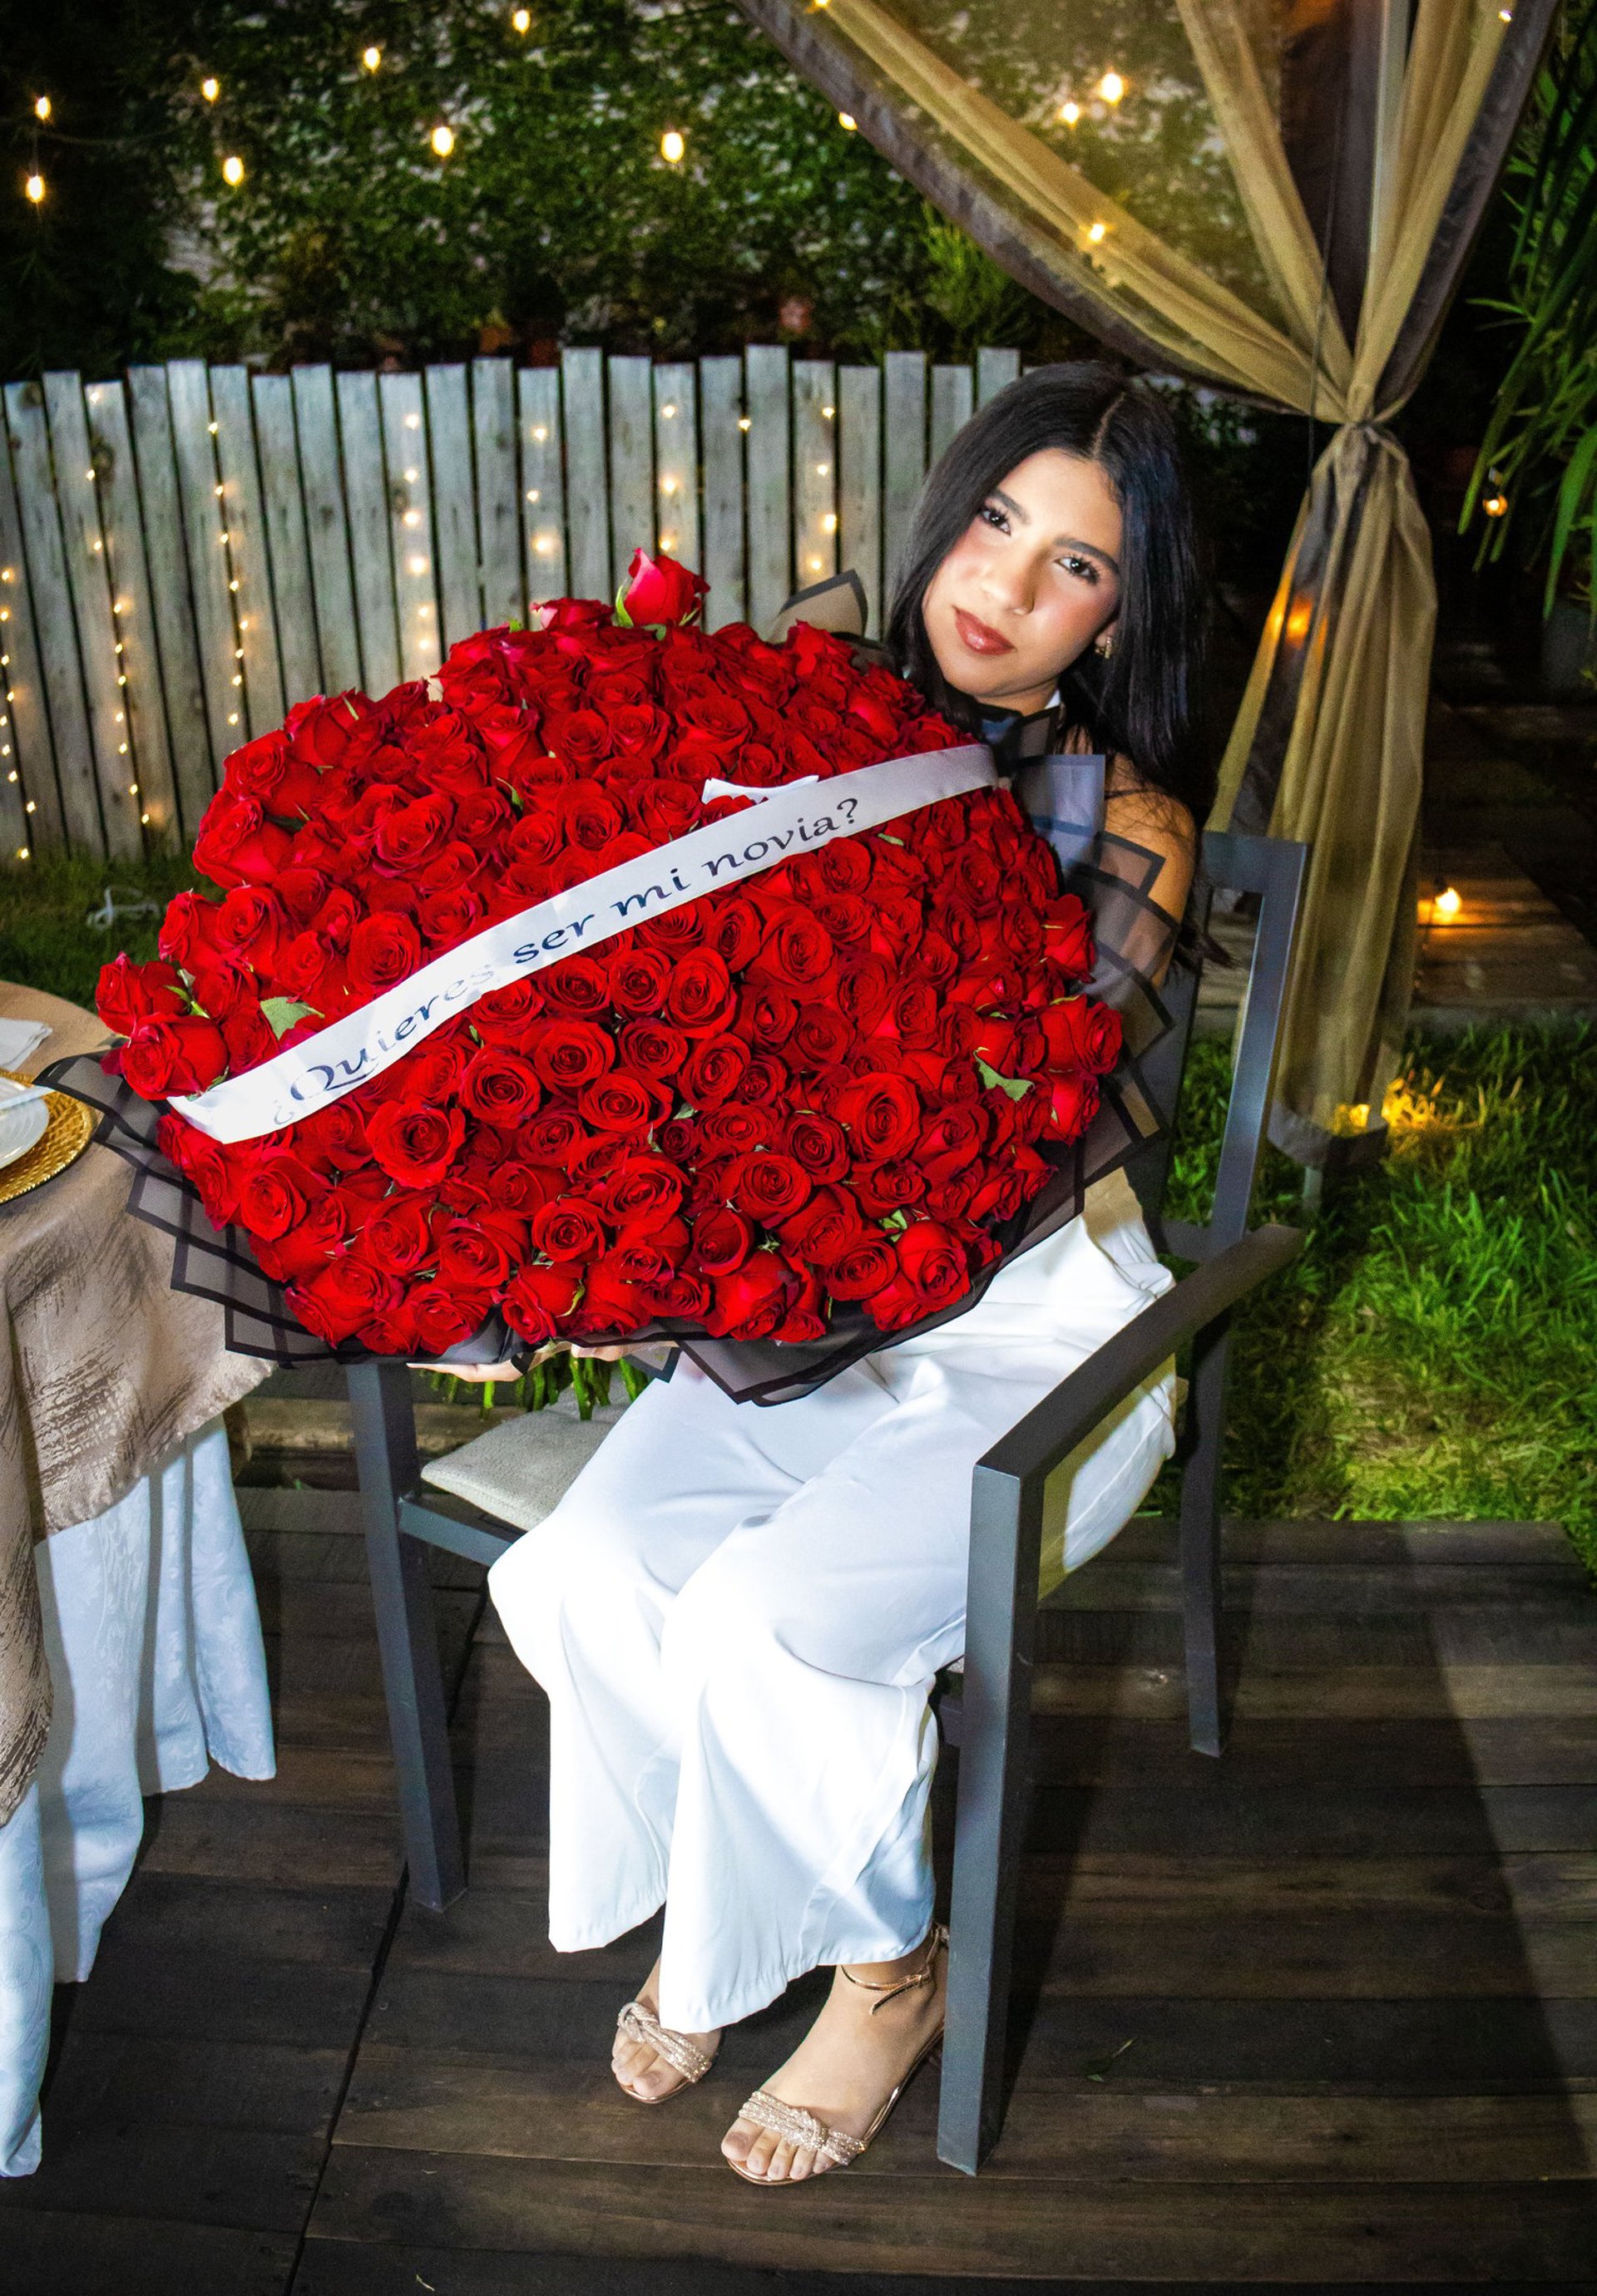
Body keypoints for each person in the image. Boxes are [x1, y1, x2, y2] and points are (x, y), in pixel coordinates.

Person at [482, 363, 1209, 2185]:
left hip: (1028, 1335)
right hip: (794, 1322)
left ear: (1123, 618)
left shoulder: (1122, 831)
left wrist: (691, 1263)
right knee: (580, 1566)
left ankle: (890, 1966)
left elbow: (1004, 1171)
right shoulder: (795, 705)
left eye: (1079, 570)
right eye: (996, 523)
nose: (1009, 588)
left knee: (767, 1620)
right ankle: (735, 1906)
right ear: (946, 501)